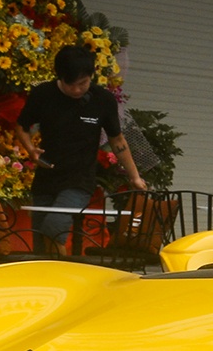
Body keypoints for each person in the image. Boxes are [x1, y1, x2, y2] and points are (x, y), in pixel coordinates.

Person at [15, 45, 146, 249]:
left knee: (54, 226)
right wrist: (31, 150)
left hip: (79, 179)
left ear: (91, 75)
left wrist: (135, 176)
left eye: (82, 83)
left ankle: (64, 277)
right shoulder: (43, 94)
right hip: (46, 175)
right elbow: (21, 126)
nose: (76, 90)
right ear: (59, 77)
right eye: (70, 85)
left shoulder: (103, 100)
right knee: (40, 239)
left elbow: (117, 140)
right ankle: (48, 278)